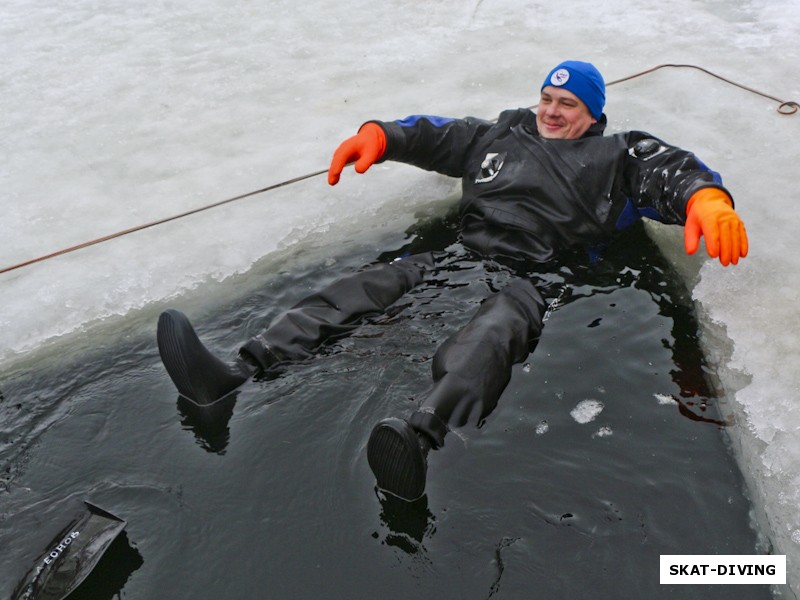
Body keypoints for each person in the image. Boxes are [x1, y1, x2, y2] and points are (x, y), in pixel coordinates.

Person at [157, 60, 748, 502]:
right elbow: (434, 134)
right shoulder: (502, 134)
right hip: (461, 256)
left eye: (567, 103)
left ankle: (418, 437)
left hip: (538, 275)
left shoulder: (618, 157)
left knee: (492, 333)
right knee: (370, 284)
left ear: (592, 113)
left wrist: (708, 201)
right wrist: (381, 136)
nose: (551, 110)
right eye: (546, 97)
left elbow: (674, 171)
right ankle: (237, 371)